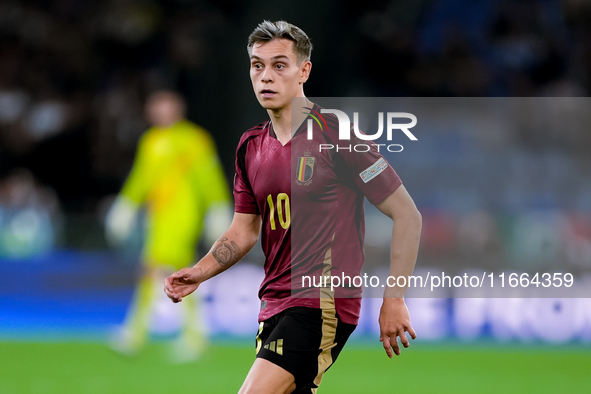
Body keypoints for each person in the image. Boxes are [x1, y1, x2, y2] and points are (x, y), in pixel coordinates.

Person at [164, 21, 422, 393]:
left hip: (321, 301)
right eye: (257, 65)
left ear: (304, 71)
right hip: (274, 304)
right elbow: (243, 231)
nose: (266, 76)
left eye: (279, 65)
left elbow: (407, 216)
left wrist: (394, 298)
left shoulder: (338, 134)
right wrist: (200, 272)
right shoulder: (250, 146)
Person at [106, 90, 231, 360]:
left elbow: (208, 175)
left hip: (184, 215)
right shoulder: (150, 140)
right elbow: (141, 177)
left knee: (153, 269)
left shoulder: (193, 139)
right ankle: (194, 334)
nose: (160, 112)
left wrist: (218, 206)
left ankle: (137, 332)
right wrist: (126, 204)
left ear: (178, 109)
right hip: (158, 217)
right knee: (180, 272)